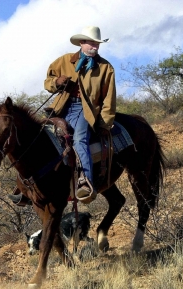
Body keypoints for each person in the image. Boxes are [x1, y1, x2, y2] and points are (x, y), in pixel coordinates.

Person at [8, 26, 116, 204]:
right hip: (61, 107)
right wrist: (57, 82)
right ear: (82, 43)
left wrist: (105, 124)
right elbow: (48, 82)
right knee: (39, 137)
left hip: (86, 110)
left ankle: (84, 182)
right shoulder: (64, 61)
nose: (95, 46)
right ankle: (25, 186)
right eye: (91, 43)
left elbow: (109, 99)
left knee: (80, 138)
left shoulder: (105, 68)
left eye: (97, 43)